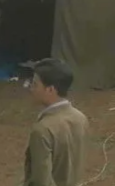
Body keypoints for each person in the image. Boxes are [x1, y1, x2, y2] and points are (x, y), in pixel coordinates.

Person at [24, 58, 89, 186]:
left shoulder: (42, 129)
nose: (31, 88)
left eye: (35, 84)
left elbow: (41, 181)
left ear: (50, 90)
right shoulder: (80, 118)